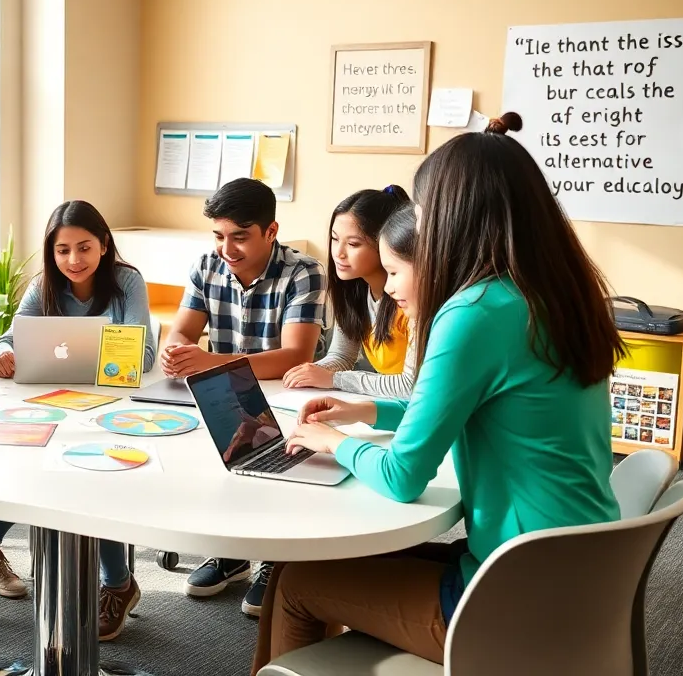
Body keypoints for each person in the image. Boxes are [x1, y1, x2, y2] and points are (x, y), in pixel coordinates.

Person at [253, 113, 624, 671]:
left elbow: (403, 478)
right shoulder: (554, 293)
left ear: (456, 218)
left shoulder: (474, 311)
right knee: (326, 562)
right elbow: (469, 406)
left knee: (296, 584)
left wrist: (333, 441)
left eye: (424, 213)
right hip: (578, 569)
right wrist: (367, 409)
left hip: (517, 595)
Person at [0, 200, 157, 641]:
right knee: (26, 459)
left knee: (95, 481)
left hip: (111, 406)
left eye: (84, 247)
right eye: (62, 250)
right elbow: (7, 337)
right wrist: (4, 352)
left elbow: (144, 354)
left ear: (104, 245)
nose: (74, 260)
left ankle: (116, 583)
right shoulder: (43, 286)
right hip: (54, 404)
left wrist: (92, 362)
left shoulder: (127, 282)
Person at [159, 177, 326, 614]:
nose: (226, 248)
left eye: (239, 236)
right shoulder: (206, 265)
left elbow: (295, 355)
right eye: (218, 236)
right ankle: (232, 555)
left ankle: (275, 559)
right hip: (226, 391)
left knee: (274, 466)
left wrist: (208, 361)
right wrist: (175, 352)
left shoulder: (304, 272)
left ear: (271, 231)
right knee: (222, 463)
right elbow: (182, 331)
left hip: (287, 397)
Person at [282, 185, 416, 398]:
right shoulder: (354, 291)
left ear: (386, 244)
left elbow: (410, 385)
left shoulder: (411, 301)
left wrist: (334, 379)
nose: (338, 253)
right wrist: (308, 374)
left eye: (353, 244)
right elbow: (342, 356)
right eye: (335, 239)